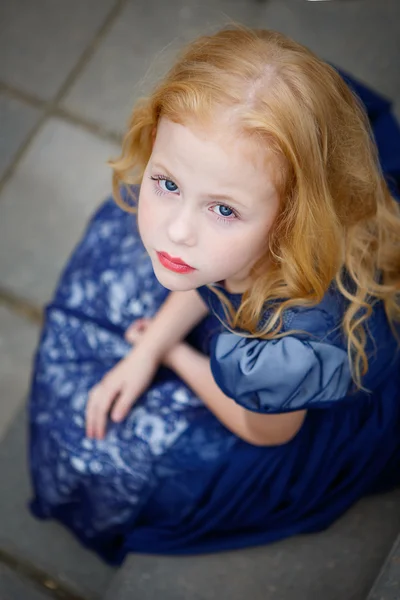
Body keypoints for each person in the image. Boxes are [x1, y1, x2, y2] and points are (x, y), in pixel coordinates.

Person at [28, 26, 400, 565]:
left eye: (224, 209)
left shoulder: (286, 352)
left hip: (284, 402)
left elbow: (266, 430)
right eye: (168, 182)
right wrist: (148, 346)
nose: (177, 231)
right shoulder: (245, 231)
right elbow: (214, 282)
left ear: (290, 220)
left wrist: (176, 356)